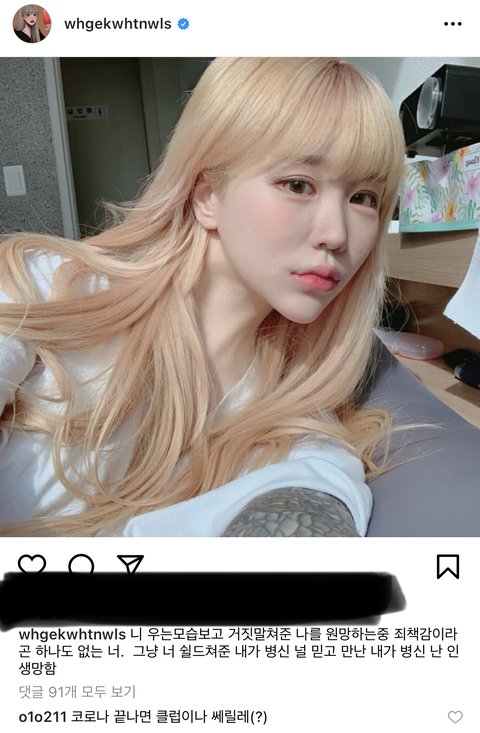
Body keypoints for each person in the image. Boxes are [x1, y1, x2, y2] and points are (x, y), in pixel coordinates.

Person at [0, 57, 405, 537]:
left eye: (364, 198)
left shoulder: (301, 434)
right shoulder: (42, 290)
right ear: (207, 196)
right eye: (298, 185)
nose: (337, 235)